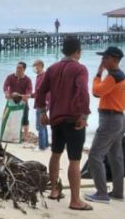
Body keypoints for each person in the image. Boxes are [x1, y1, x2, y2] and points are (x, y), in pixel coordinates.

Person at [35, 37, 91, 210]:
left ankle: (53, 191)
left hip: (56, 118)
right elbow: (83, 91)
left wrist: (42, 111)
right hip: (73, 119)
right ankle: (75, 200)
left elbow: (40, 91)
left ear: (63, 51)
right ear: (78, 52)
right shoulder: (80, 69)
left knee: (56, 153)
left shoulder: (52, 69)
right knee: (75, 160)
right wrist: (85, 114)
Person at [84, 47, 125, 204]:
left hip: (110, 120)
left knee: (95, 156)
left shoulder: (113, 77)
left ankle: (102, 193)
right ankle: (118, 191)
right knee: (115, 157)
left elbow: (96, 92)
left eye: (105, 58)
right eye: (103, 58)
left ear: (115, 60)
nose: (102, 60)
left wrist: (97, 74)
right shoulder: (122, 76)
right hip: (119, 119)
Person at [3, 62, 33, 137]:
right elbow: (5, 86)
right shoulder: (10, 77)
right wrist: (6, 93)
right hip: (11, 101)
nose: (18, 69)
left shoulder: (27, 79)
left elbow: (29, 91)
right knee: (9, 118)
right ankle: (11, 134)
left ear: (24, 69)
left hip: (23, 101)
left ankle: (25, 136)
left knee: (25, 120)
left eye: (20, 68)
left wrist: (21, 95)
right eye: (17, 68)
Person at [32, 59, 49, 151]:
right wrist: (30, 95)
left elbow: (46, 91)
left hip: (42, 104)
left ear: (40, 66)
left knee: (40, 126)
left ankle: (41, 146)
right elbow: (38, 92)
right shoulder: (39, 76)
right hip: (40, 103)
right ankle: (45, 144)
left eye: (35, 66)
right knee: (43, 124)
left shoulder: (43, 76)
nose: (34, 68)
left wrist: (46, 102)